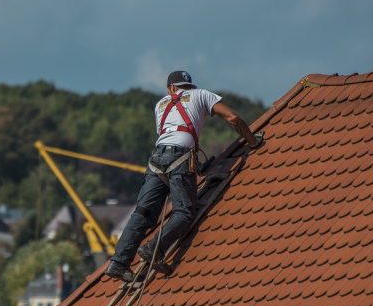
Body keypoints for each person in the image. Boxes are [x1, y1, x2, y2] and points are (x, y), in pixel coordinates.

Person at [104, 70, 262, 282]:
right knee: (185, 212)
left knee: (143, 213)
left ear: (170, 88)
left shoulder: (160, 105)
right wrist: (252, 141)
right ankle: (154, 249)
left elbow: (168, 132)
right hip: (180, 157)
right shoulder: (201, 94)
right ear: (186, 86)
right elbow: (232, 118)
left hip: (156, 159)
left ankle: (118, 262)